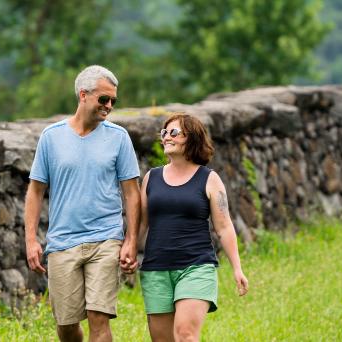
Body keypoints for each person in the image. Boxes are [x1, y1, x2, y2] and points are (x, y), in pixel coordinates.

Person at [24, 65, 142, 342]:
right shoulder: (51, 137)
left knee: (99, 318)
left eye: (113, 100)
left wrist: (130, 240)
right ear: (83, 95)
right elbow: (35, 191)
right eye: (104, 99)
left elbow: (132, 193)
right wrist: (31, 239)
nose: (109, 105)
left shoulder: (118, 137)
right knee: (66, 325)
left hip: (106, 239)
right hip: (62, 242)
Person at [137, 113, 249, 342]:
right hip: (156, 268)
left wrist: (237, 268)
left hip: (196, 267)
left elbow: (224, 227)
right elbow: (141, 223)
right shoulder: (151, 178)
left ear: (192, 138)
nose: (167, 137)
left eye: (174, 132)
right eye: (164, 133)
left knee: (186, 335)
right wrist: (128, 250)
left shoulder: (209, 179)